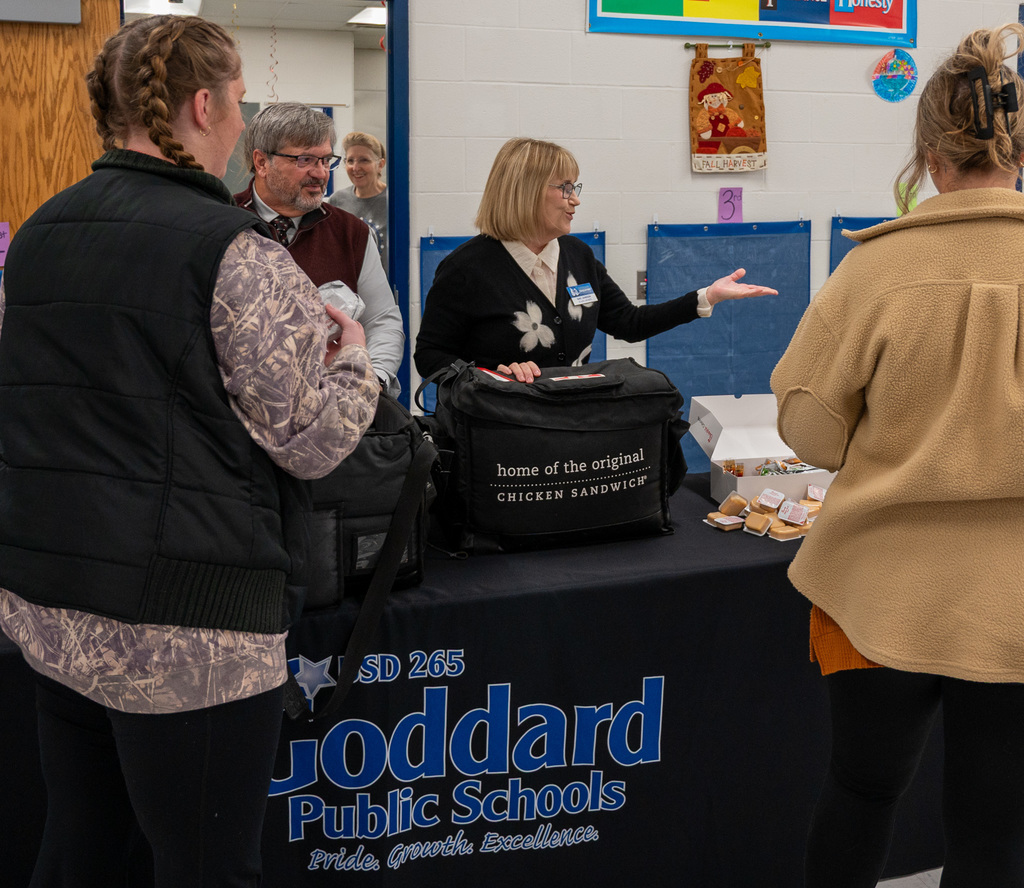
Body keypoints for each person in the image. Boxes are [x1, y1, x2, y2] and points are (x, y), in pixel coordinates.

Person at [0, 15, 378, 888]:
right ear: (204, 105)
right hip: (190, 625)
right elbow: (313, 441)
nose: (244, 124)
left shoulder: (44, 234)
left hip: (60, 602)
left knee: (82, 844)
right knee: (207, 867)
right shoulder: (236, 256)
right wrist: (352, 352)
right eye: (242, 103)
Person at [771, 23, 1024, 888]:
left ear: (926, 153)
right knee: (995, 829)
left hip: (875, 590)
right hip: (1017, 600)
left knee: (860, 792)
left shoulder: (875, 270)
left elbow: (809, 435)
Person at [414, 137, 776, 383]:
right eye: (565, 188)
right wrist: (488, 374)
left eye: (576, 188)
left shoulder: (577, 256)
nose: (575, 200)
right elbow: (430, 356)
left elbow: (629, 323)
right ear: (524, 191)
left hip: (570, 423)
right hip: (498, 437)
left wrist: (706, 297)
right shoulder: (466, 268)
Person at [235, 106, 404, 395]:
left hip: (332, 409)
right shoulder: (225, 225)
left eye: (326, 160)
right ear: (262, 162)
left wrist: (372, 382)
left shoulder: (350, 233)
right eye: (305, 159)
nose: (320, 172)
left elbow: (382, 320)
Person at [328, 130, 389, 274]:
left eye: (364, 160)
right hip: (348, 289)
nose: (355, 168)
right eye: (350, 161)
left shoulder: (393, 201)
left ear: (380, 164)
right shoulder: (337, 201)